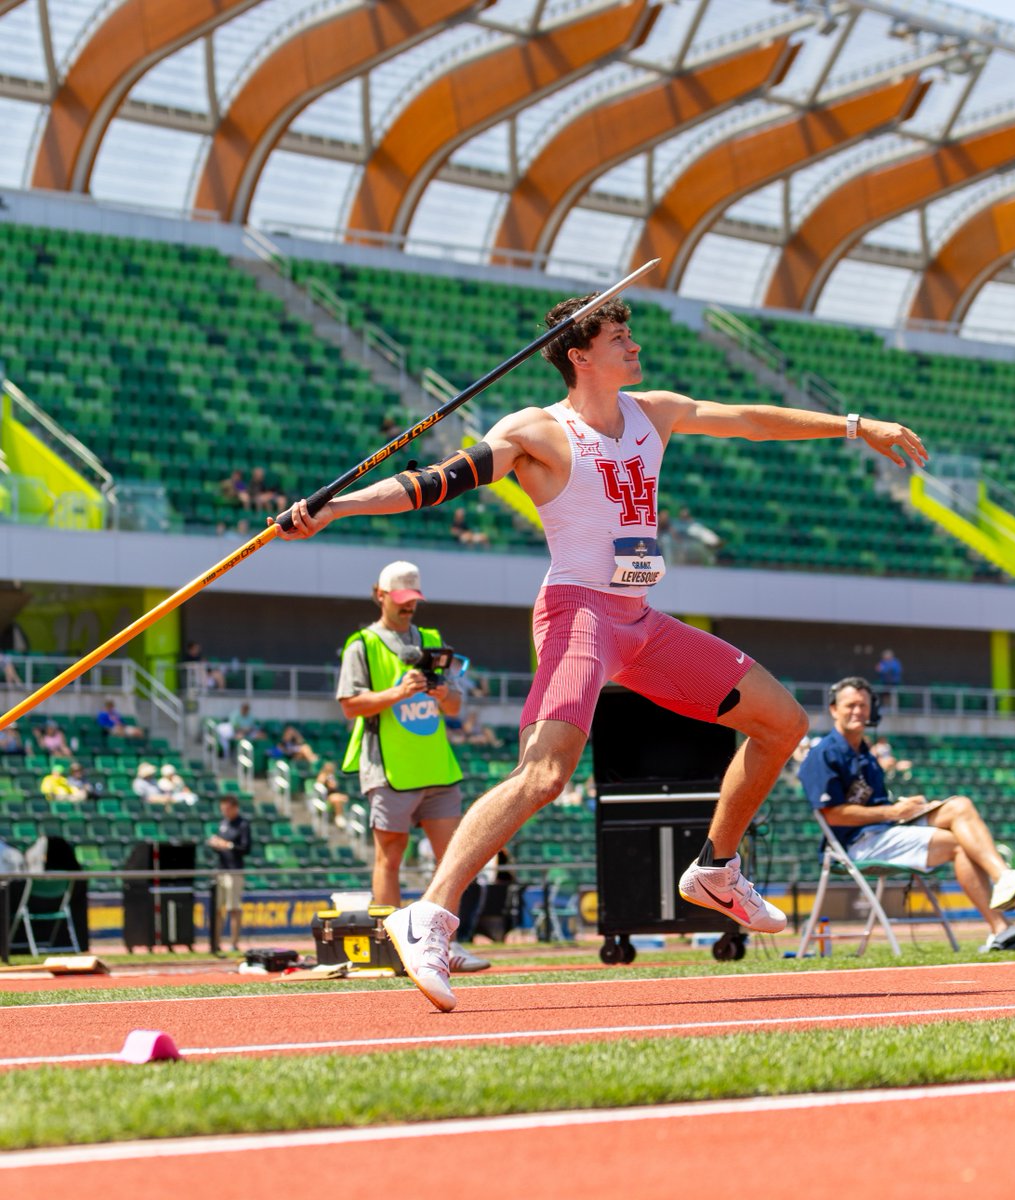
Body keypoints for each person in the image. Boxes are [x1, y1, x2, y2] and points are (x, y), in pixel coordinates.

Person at [276, 287, 927, 1010]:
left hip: (639, 622)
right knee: (545, 775)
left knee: (781, 723)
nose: (634, 345)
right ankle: (427, 915)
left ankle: (715, 869)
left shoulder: (655, 412)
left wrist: (854, 424)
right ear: (581, 355)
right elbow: (435, 482)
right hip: (577, 615)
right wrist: (337, 506)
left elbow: (749, 421)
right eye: (620, 335)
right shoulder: (538, 431)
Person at [799, 677, 1015, 952]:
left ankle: (1004, 878)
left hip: (885, 828)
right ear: (834, 709)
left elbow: (877, 805)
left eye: (863, 705)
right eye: (850, 705)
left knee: (959, 805)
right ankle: (1001, 929)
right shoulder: (823, 753)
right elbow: (833, 815)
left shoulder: (866, 752)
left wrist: (907, 808)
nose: (857, 711)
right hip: (853, 844)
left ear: (872, 710)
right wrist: (893, 811)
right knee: (957, 845)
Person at [332, 558, 490, 974]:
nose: (408, 608)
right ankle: (392, 948)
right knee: (390, 857)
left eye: (413, 600)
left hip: (436, 766)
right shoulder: (361, 645)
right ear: (380, 595)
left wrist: (440, 693)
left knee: (453, 859)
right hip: (388, 768)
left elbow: (455, 705)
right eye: (400, 600)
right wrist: (398, 691)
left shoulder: (433, 638)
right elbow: (350, 706)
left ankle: (444, 946)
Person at [208, 795, 252, 955]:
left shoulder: (243, 824)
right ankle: (216, 942)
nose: (225, 812)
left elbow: (246, 848)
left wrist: (228, 845)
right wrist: (215, 844)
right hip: (221, 869)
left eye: (227, 809)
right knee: (218, 908)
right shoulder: (223, 823)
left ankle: (234, 942)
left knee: (233, 908)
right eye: (223, 809)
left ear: (234, 807)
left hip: (235, 870)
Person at [312, 761, 350, 829]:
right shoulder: (322, 776)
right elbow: (320, 787)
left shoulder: (332, 777)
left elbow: (334, 787)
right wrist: (326, 780)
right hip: (324, 799)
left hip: (332, 796)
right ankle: (339, 817)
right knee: (335, 798)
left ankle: (339, 817)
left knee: (339, 798)